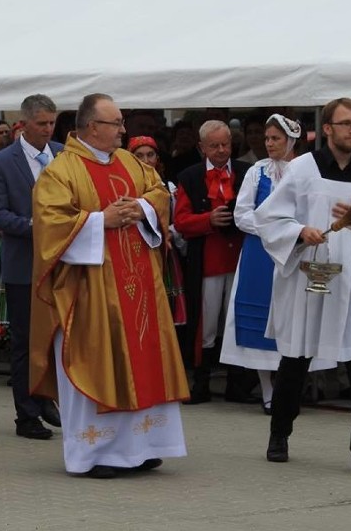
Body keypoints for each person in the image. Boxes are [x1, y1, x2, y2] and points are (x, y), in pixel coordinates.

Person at [29, 93, 190, 479]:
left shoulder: (130, 162)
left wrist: (143, 209)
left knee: (144, 359)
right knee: (98, 361)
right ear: (90, 127)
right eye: (115, 123)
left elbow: (158, 192)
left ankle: (142, 447)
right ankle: (95, 452)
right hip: (89, 290)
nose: (122, 130)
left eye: (121, 122)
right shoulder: (61, 170)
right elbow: (50, 222)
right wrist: (102, 219)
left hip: (138, 287)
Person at [255, 97, 351, 477]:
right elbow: (269, 217)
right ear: (327, 129)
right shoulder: (303, 169)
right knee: (296, 359)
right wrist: (299, 231)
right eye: (346, 123)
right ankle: (279, 433)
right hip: (311, 270)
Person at [220, 114, 329, 416]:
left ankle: (290, 388)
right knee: (261, 315)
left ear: (291, 141)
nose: (269, 144)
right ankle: (269, 391)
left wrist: (297, 233)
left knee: (293, 316)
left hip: (297, 251)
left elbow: (316, 211)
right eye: (267, 138)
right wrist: (276, 231)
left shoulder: (306, 172)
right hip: (260, 252)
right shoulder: (257, 171)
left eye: (275, 139)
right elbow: (242, 214)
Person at [0, 94, 63, 440]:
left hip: (65, 263)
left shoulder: (64, 154)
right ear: (25, 123)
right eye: (42, 124)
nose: (48, 130)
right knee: (26, 341)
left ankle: (50, 396)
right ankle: (26, 414)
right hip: (24, 264)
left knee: (60, 339)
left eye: (52, 123)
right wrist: (35, 226)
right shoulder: (2, 162)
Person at [174, 120, 252, 404]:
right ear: (201, 148)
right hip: (207, 262)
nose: (221, 151)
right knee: (205, 326)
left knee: (236, 322)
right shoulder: (190, 176)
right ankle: (201, 383)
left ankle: (238, 385)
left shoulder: (246, 172)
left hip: (239, 259)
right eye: (215, 146)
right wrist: (208, 220)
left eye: (226, 144)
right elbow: (180, 222)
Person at [128, 135, 187, 327]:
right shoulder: (126, 187)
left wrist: (169, 231)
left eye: (150, 155)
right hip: (136, 251)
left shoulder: (169, 187)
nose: (146, 161)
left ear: (157, 158)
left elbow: (179, 219)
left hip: (166, 250)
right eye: (139, 155)